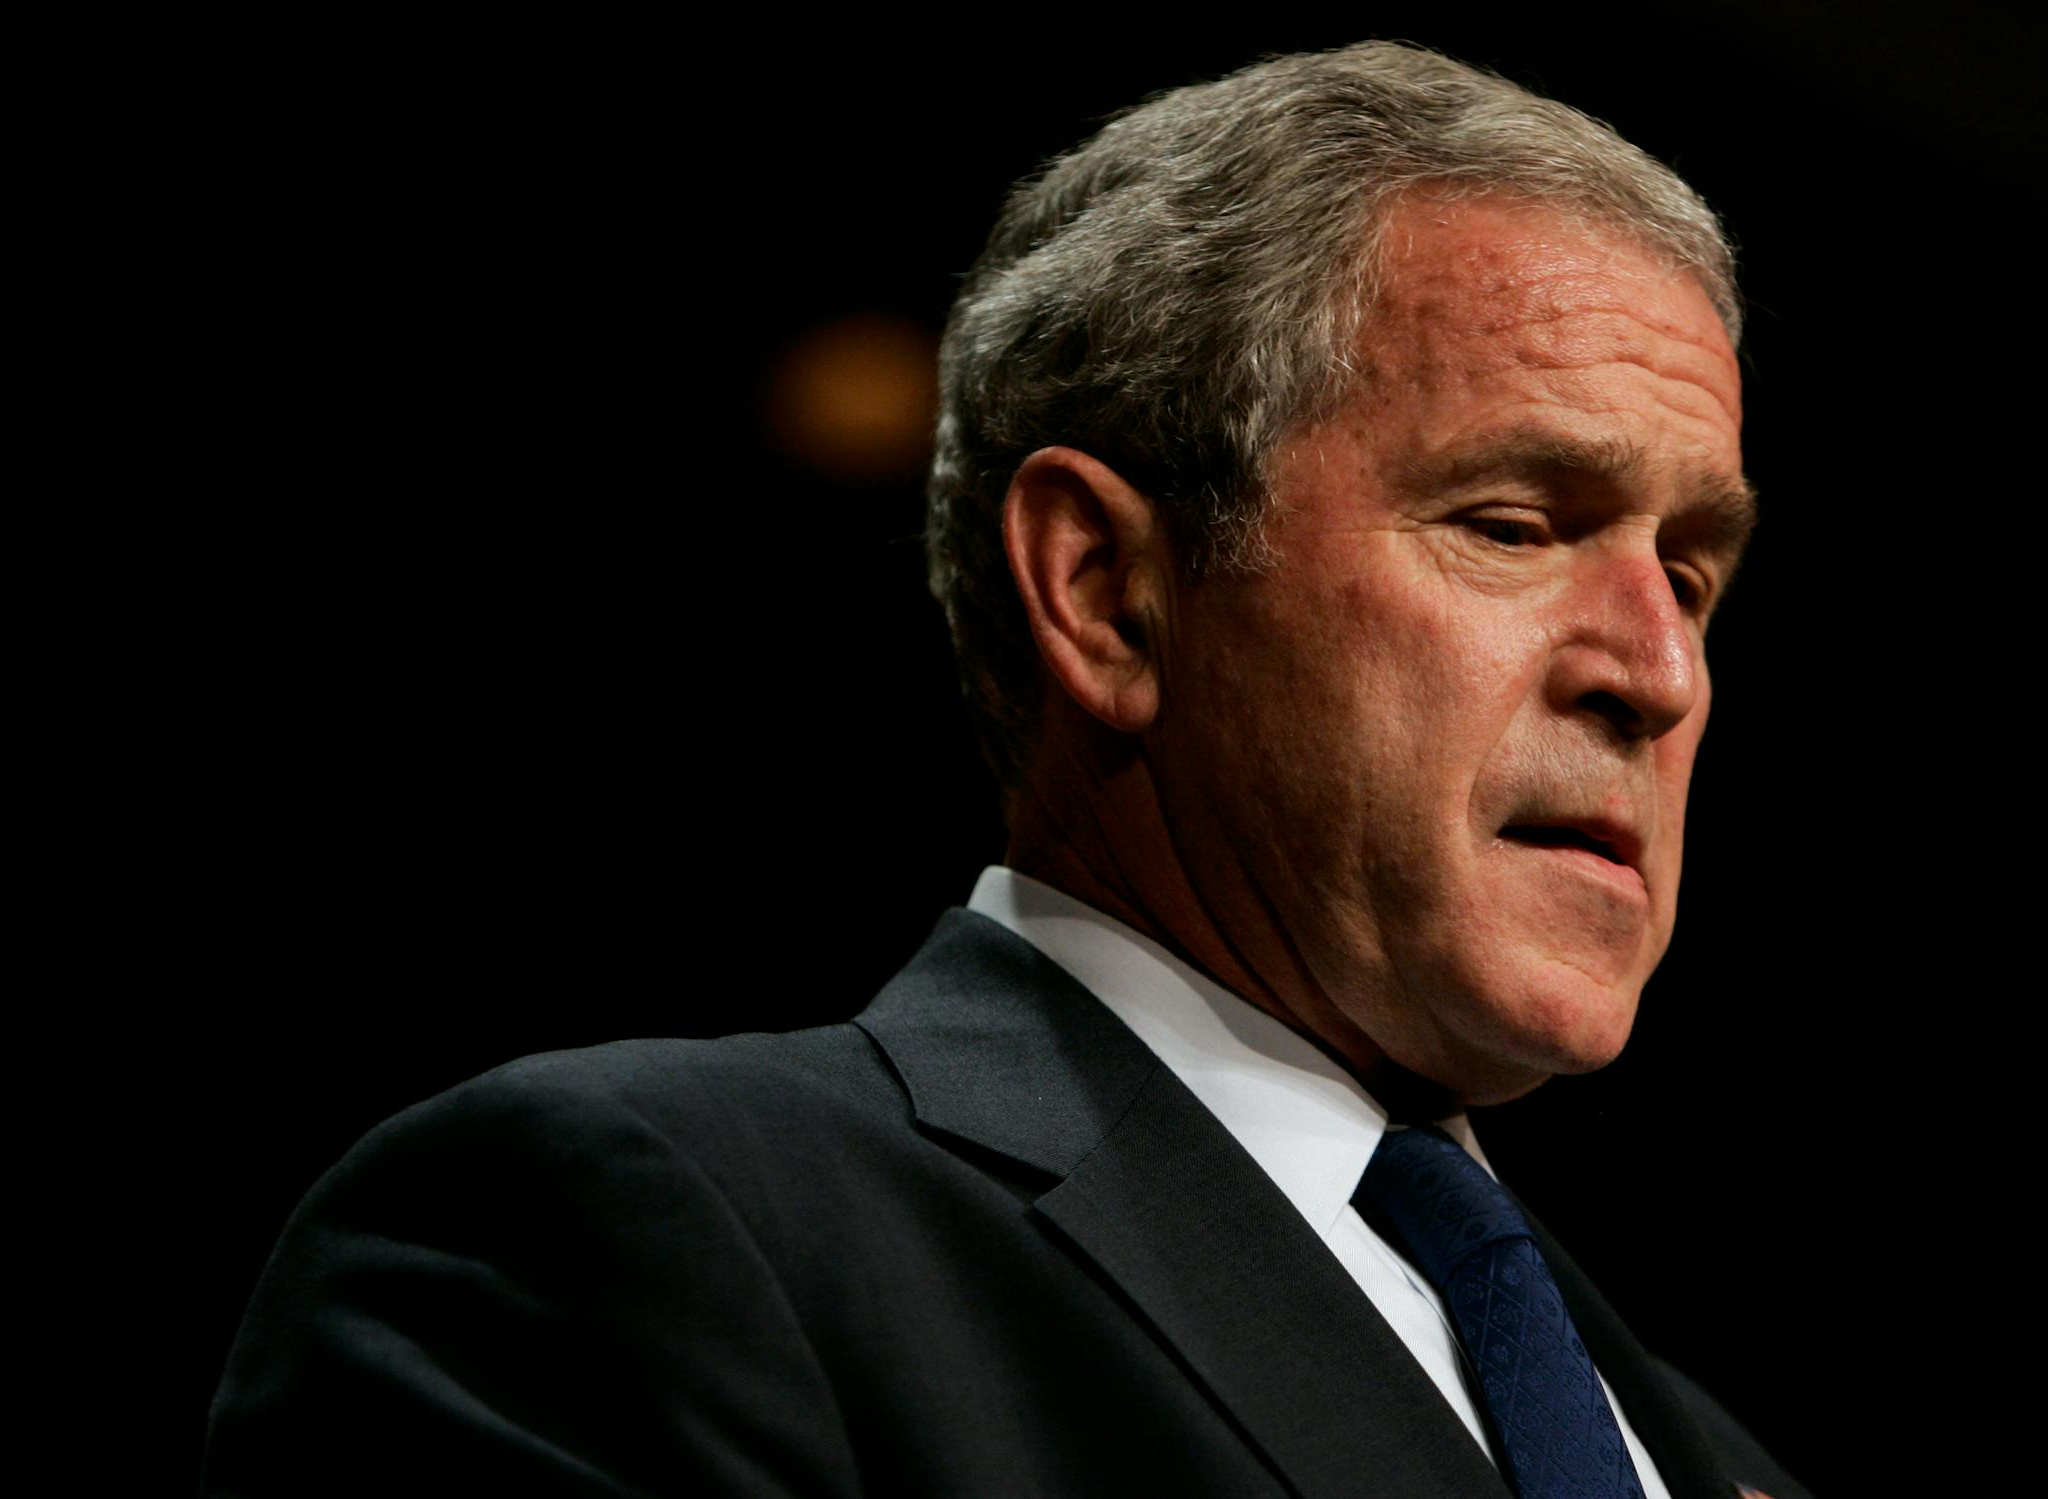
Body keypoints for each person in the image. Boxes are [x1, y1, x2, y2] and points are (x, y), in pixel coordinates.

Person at [206, 42, 1810, 1499]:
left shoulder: (1702, 1451)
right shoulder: (647, 1241)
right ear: (1110, 593)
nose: (1657, 675)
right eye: (1515, 527)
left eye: (1690, 575)